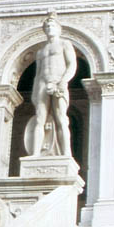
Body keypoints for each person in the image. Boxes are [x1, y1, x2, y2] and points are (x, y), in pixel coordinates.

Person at [30, 12, 76, 157]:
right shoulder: (40, 51)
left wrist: (63, 81)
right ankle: (35, 153)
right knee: (39, 119)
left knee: (61, 118)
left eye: (52, 26)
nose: (50, 28)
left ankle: (66, 153)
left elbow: (72, 65)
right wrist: (34, 92)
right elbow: (37, 73)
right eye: (47, 26)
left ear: (59, 29)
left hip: (58, 81)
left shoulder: (64, 44)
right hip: (42, 83)